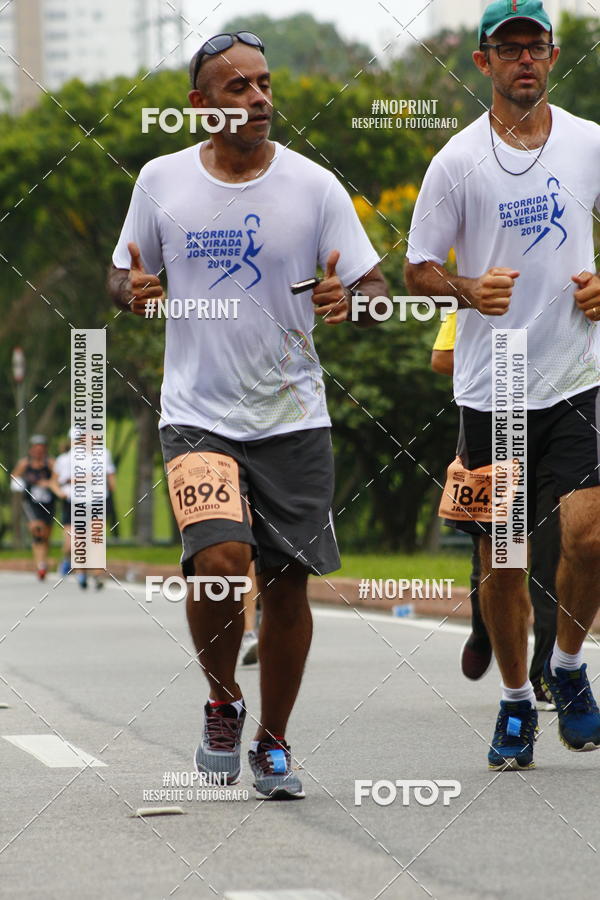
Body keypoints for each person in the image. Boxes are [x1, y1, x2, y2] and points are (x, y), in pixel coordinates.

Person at [108, 31, 387, 799]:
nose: (259, 99)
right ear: (200, 105)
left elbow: (375, 293)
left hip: (292, 414)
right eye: (238, 88)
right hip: (197, 411)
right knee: (222, 565)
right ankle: (222, 698)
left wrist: (349, 304)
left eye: (264, 85)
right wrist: (131, 289)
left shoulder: (315, 187)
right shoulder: (162, 180)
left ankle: (272, 742)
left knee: (288, 584)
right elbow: (122, 273)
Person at [406, 0, 600, 770]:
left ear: (553, 56)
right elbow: (418, 267)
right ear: (483, 62)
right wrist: (464, 290)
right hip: (494, 391)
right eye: (508, 47)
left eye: (536, 45)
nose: (525, 58)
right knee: (506, 558)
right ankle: (518, 700)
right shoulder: (457, 161)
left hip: (580, 374)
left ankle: (569, 666)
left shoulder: (588, 141)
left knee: (591, 537)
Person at [432, 313, 557, 710]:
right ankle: (483, 629)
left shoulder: (568, 284)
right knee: (494, 549)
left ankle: (546, 673)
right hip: (490, 417)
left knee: (554, 552)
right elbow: (442, 357)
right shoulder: (480, 292)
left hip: (558, 420)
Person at [52, 428, 116, 590]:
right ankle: (79, 571)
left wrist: (109, 486)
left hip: (98, 500)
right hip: (76, 502)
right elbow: (59, 481)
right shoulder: (68, 458)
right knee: (76, 541)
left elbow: (109, 476)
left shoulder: (103, 454)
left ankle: (97, 575)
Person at [11, 435, 56, 580]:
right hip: (31, 503)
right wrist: (20, 483)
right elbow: (14, 477)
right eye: (36, 449)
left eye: (41, 449)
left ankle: (42, 561)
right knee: (37, 530)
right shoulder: (24, 464)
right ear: (31, 450)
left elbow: (58, 479)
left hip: (48, 503)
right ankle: (41, 566)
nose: (38, 452)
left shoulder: (50, 463)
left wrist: (48, 483)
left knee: (46, 535)